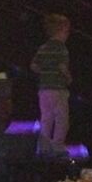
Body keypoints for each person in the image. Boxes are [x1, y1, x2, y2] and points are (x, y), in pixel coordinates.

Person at [31, 13, 71, 158]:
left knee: (46, 117)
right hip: (58, 88)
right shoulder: (61, 48)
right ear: (61, 31)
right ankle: (58, 146)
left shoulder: (43, 48)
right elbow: (62, 67)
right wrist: (68, 77)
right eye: (67, 31)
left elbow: (34, 66)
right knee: (62, 119)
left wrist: (45, 71)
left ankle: (43, 147)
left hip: (44, 89)